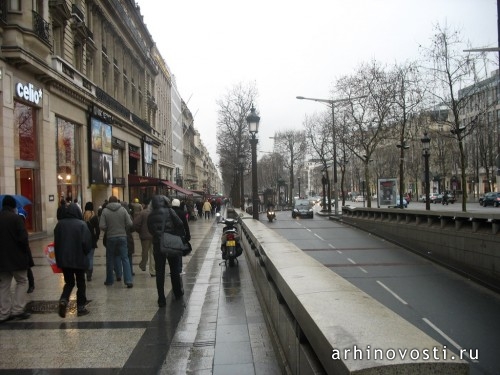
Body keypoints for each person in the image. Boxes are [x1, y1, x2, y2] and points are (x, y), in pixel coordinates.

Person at [53, 203, 92, 318]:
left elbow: (57, 244)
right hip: (79, 259)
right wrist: (85, 253)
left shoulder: (59, 225)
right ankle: (80, 307)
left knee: (69, 282)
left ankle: (64, 299)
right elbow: (87, 244)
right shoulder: (82, 225)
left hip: (65, 260)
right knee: (81, 283)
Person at [147, 195, 186, 307]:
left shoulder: (151, 215)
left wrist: (157, 235)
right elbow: (180, 223)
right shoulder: (170, 211)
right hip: (170, 243)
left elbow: (150, 229)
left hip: (158, 245)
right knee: (174, 269)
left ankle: (161, 299)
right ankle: (177, 292)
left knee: (160, 272)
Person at [0, 195, 31, 323]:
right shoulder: (16, 219)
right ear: (13, 206)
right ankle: (17, 309)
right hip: (17, 258)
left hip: (1, 259)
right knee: (22, 281)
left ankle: (3, 313)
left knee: (4, 285)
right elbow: (23, 238)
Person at [99, 196, 134, 288]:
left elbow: (101, 225)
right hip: (122, 236)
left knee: (110, 258)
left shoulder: (105, 211)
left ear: (109, 202)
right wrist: (123, 228)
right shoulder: (123, 210)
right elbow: (130, 223)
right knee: (125, 258)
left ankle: (109, 280)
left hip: (110, 237)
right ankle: (128, 280)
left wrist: (108, 229)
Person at [133, 198, 155, 277]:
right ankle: (153, 271)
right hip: (154, 236)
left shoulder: (143, 213)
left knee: (144, 252)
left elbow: (135, 223)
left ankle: (143, 265)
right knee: (153, 253)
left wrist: (140, 231)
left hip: (145, 236)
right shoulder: (155, 213)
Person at [171, 199, 191, 275]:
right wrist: (188, 235)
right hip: (180, 235)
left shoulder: (169, 213)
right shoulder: (182, 213)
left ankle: (172, 269)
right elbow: (186, 225)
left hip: (171, 235)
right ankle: (179, 269)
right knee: (179, 252)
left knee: (171, 252)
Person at [18, 208, 35, 293]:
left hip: (23, 250)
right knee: (27, 269)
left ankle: (31, 285)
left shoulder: (21, 223)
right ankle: (31, 285)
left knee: (27, 269)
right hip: (22, 250)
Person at [83, 202, 100, 281]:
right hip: (92, 239)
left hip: (83, 240)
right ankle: (89, 273)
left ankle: (85, 270)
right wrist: (96, 237)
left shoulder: (83, 216)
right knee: (90, 257)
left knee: (84, 256)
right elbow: (97, 229)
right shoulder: (94, 217)